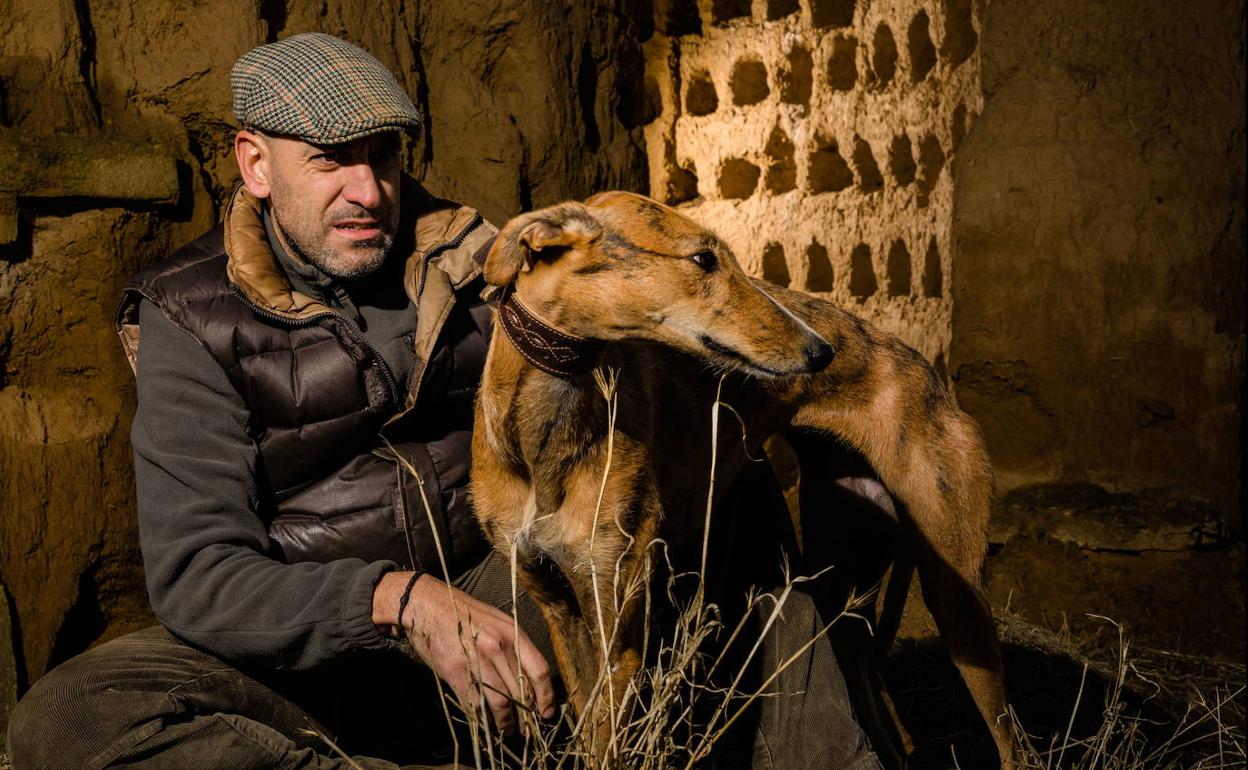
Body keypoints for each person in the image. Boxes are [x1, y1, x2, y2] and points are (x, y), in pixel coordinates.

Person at [6, 33, 886, 770]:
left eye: (382, 158)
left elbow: (626, 393)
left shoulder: (483, 262)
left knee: (724, 507)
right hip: (308, 657)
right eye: (330, 163)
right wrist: (397, 600)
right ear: (255, 164)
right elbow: (200, 578)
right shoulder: (186, 315)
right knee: (71, 716)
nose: (367, 191)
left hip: (502, 609)